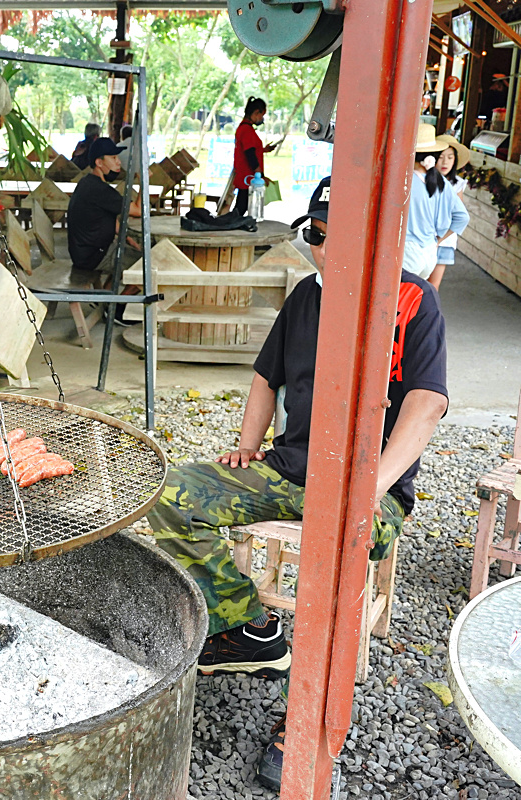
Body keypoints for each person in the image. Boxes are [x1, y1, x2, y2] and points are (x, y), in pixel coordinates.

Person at [146, 176, 449, 791]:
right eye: (318, 233)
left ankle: (305, 719)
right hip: (289, 471)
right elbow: (265, 377)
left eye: (346, 235)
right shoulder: (305, 298)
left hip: (373, 490)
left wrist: (371, 488)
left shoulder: (414, 301)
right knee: (172, 494)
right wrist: (248, 446)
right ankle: (249, 627)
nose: (329, 248)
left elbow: (425, 405)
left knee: (331, 569)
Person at [66, 137, 141, 287]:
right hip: (93, 256)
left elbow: (108, 219)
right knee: (145, 264)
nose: (118, 162)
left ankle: (106, 301)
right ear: (99, 163)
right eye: (113, 158)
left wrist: (126, 238)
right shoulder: (100, 190)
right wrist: (144, 182)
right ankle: (117, 306)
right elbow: (138, 211)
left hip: (83, 253)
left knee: (132, 253)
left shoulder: (88, 182)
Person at [403, 123, 469, 288]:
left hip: (407, 253)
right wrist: (438, 241)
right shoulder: (442, 182)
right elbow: (462, 217)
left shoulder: (405, 182)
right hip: (429, 253)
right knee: (413, 303)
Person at [432, 133, 471, 290]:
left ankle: (425, 315)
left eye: (450, 157)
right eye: (441, 157)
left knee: (433, 286)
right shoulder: (423, 181)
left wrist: (439, 240)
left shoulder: (457, 184)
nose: (445, 162)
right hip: (423, 239)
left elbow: (458, 215)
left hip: (444, 241)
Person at [232, 97, 277, 216]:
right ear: (256, 112)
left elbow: (249, 150)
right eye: (262, 115)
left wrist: (264, 150)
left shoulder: (244, 129)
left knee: (242, 207)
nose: (262, 119)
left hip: (246, 176)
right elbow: (250, 154)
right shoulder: (247, 130)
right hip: (248, 178)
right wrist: (260, 176)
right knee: (241, 209)